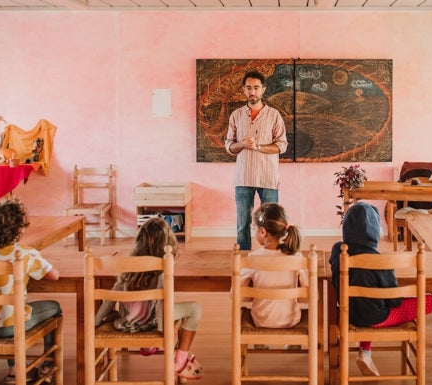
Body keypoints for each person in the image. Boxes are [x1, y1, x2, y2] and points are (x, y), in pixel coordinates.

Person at [329, 202, 432, 376]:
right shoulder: (380, 262)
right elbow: (394, 300)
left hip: (349, 313)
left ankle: (365, 351)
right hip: (377, 317)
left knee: (367, 300)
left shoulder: (337, 251)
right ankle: (365, 351)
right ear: (374, 230)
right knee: (429, 300)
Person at [94, 217, 204, 380]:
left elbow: (110, 300)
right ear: (167, 242)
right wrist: (162, 331)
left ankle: (153, 345)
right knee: (194, 308)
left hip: (126, 322)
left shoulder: (126, 267)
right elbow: (162, 305)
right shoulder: (163, 268)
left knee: (119, 311)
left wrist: (94, 322)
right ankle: (179, 360)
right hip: (153, 323)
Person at [0, 199, 62, 384]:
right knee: (54, 308)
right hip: (7, 327)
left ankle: (13, 371)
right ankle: (48, 365)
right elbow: (54, 276)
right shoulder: (23, 253)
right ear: (18, 229)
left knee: (12, 309)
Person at [225, 70, 288, 251]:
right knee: (242, 224)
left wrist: (258, 147)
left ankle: (271, 256)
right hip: (243, 177)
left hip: (268, 178)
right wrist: (242, 144)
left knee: (272, 222)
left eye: (256, 88)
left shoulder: (274, 115)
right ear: (244, 90)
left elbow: (281, 145)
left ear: (263, 90)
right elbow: (229, 146)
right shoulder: (236, 115)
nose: (252, 92)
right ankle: (244, 261)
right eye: (249, 88)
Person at [240, 203, 306, 329]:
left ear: (263, 232)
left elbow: (236, 294)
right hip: (291, 319)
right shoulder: (297, 257)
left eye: (254, 227)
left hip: (261, 321)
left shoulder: (252, 258)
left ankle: (260, 344)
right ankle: (293, 344)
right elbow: (309, 295)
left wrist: (257, 294)